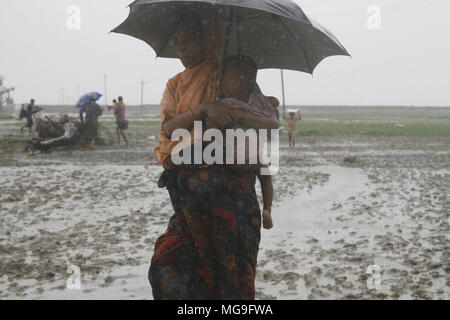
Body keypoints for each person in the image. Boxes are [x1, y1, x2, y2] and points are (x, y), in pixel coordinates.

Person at [149, 12, 278, 300]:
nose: (182, 49)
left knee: (234, 276)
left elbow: (262, 118)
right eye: (177, 43)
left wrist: (234, 115)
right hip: (188, 195)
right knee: (172, 267)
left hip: (233, 197)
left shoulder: (229, 74)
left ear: (207, 40)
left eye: (189, 40)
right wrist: (204, 111)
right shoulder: (174, 84)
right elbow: (168, 129)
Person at [216, 55, 280, 229]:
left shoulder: (235, 102)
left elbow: (274, 122)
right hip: (239, 155)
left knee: (264, 172)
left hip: (242, 155)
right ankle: (267, 209)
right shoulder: (223, 102)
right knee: (264, 173)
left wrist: (243, 116)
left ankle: (267, 209)